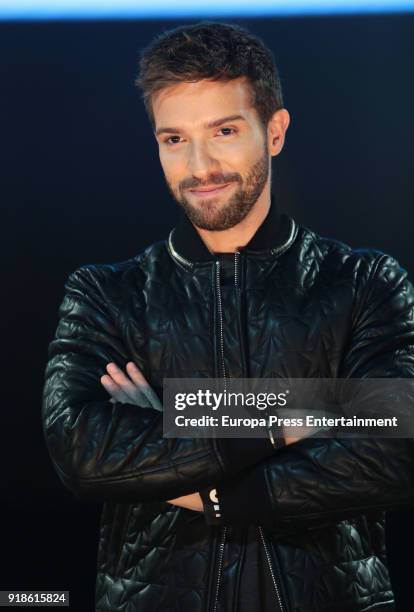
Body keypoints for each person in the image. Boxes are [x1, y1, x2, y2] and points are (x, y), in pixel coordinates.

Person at [41, 20, 414, 612]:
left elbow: (397, 448)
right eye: (173, 139)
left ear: (275, 132)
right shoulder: (106, 293)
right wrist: (295, 415)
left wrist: (174, 425)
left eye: (224, 130)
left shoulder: (365, 282)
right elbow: (82, 453)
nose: (200, 165)